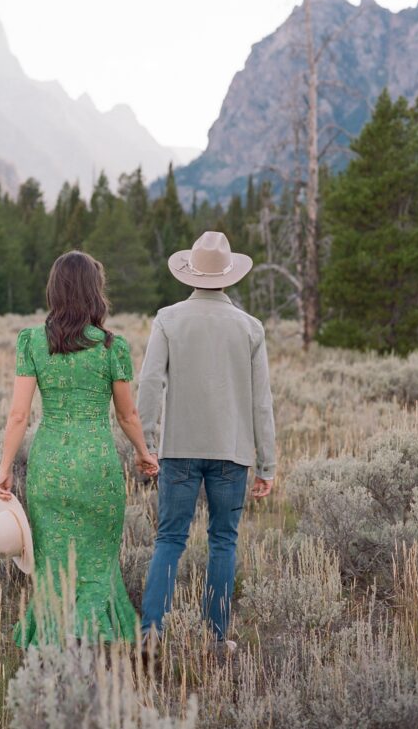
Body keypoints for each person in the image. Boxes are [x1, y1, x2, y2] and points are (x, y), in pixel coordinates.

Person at [0, 250, 159, 647]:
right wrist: (143, 452)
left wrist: (5, 467)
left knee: (51, 564)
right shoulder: (111, 347)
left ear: (55, 290)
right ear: (94, 292)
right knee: (98, 560)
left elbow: (18, 415)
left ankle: (54, 636)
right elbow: (128, 414)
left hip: (50, 464)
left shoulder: (32, 341)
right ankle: (96, 638)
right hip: (97, 466)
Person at [136, 230, 276, 652]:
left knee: (169, 539)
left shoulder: (168, 319)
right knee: (222, 542)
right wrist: (267, 464)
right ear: (228, 276)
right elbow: (261, 403)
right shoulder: (250, 328)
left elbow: (149, 384)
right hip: (231, 454)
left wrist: (146, 443)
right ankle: (214, 640)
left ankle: (150, 635)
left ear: (191, 274)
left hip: (177, 450)